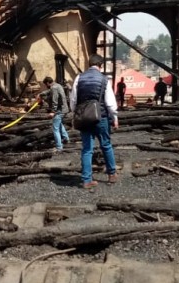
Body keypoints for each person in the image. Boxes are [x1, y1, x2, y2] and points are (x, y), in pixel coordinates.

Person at [70, 54, 119, 189]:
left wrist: (76, 113)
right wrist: (114, 117)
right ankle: (112, 174)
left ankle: (86, 180)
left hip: (84, 118)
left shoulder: (79, 78)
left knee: (87, 149)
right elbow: (110, 103)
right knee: (106, 145)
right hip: (101, 117)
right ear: (101, 65)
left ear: (89, 64)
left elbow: (73, 100)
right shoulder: (104, 79)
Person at [38, 76, 70, 151]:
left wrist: (53, 112)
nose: (46, 86)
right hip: (64, 109)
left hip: (60, 110)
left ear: (48, 83)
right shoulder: (57, 85)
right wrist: (41, 94)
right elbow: (49, 91)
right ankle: (66, 138)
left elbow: (54, 101)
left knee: (55, 129)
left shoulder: (54, 88)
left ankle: (59, 147)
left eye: (46, 85)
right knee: (59, 124)